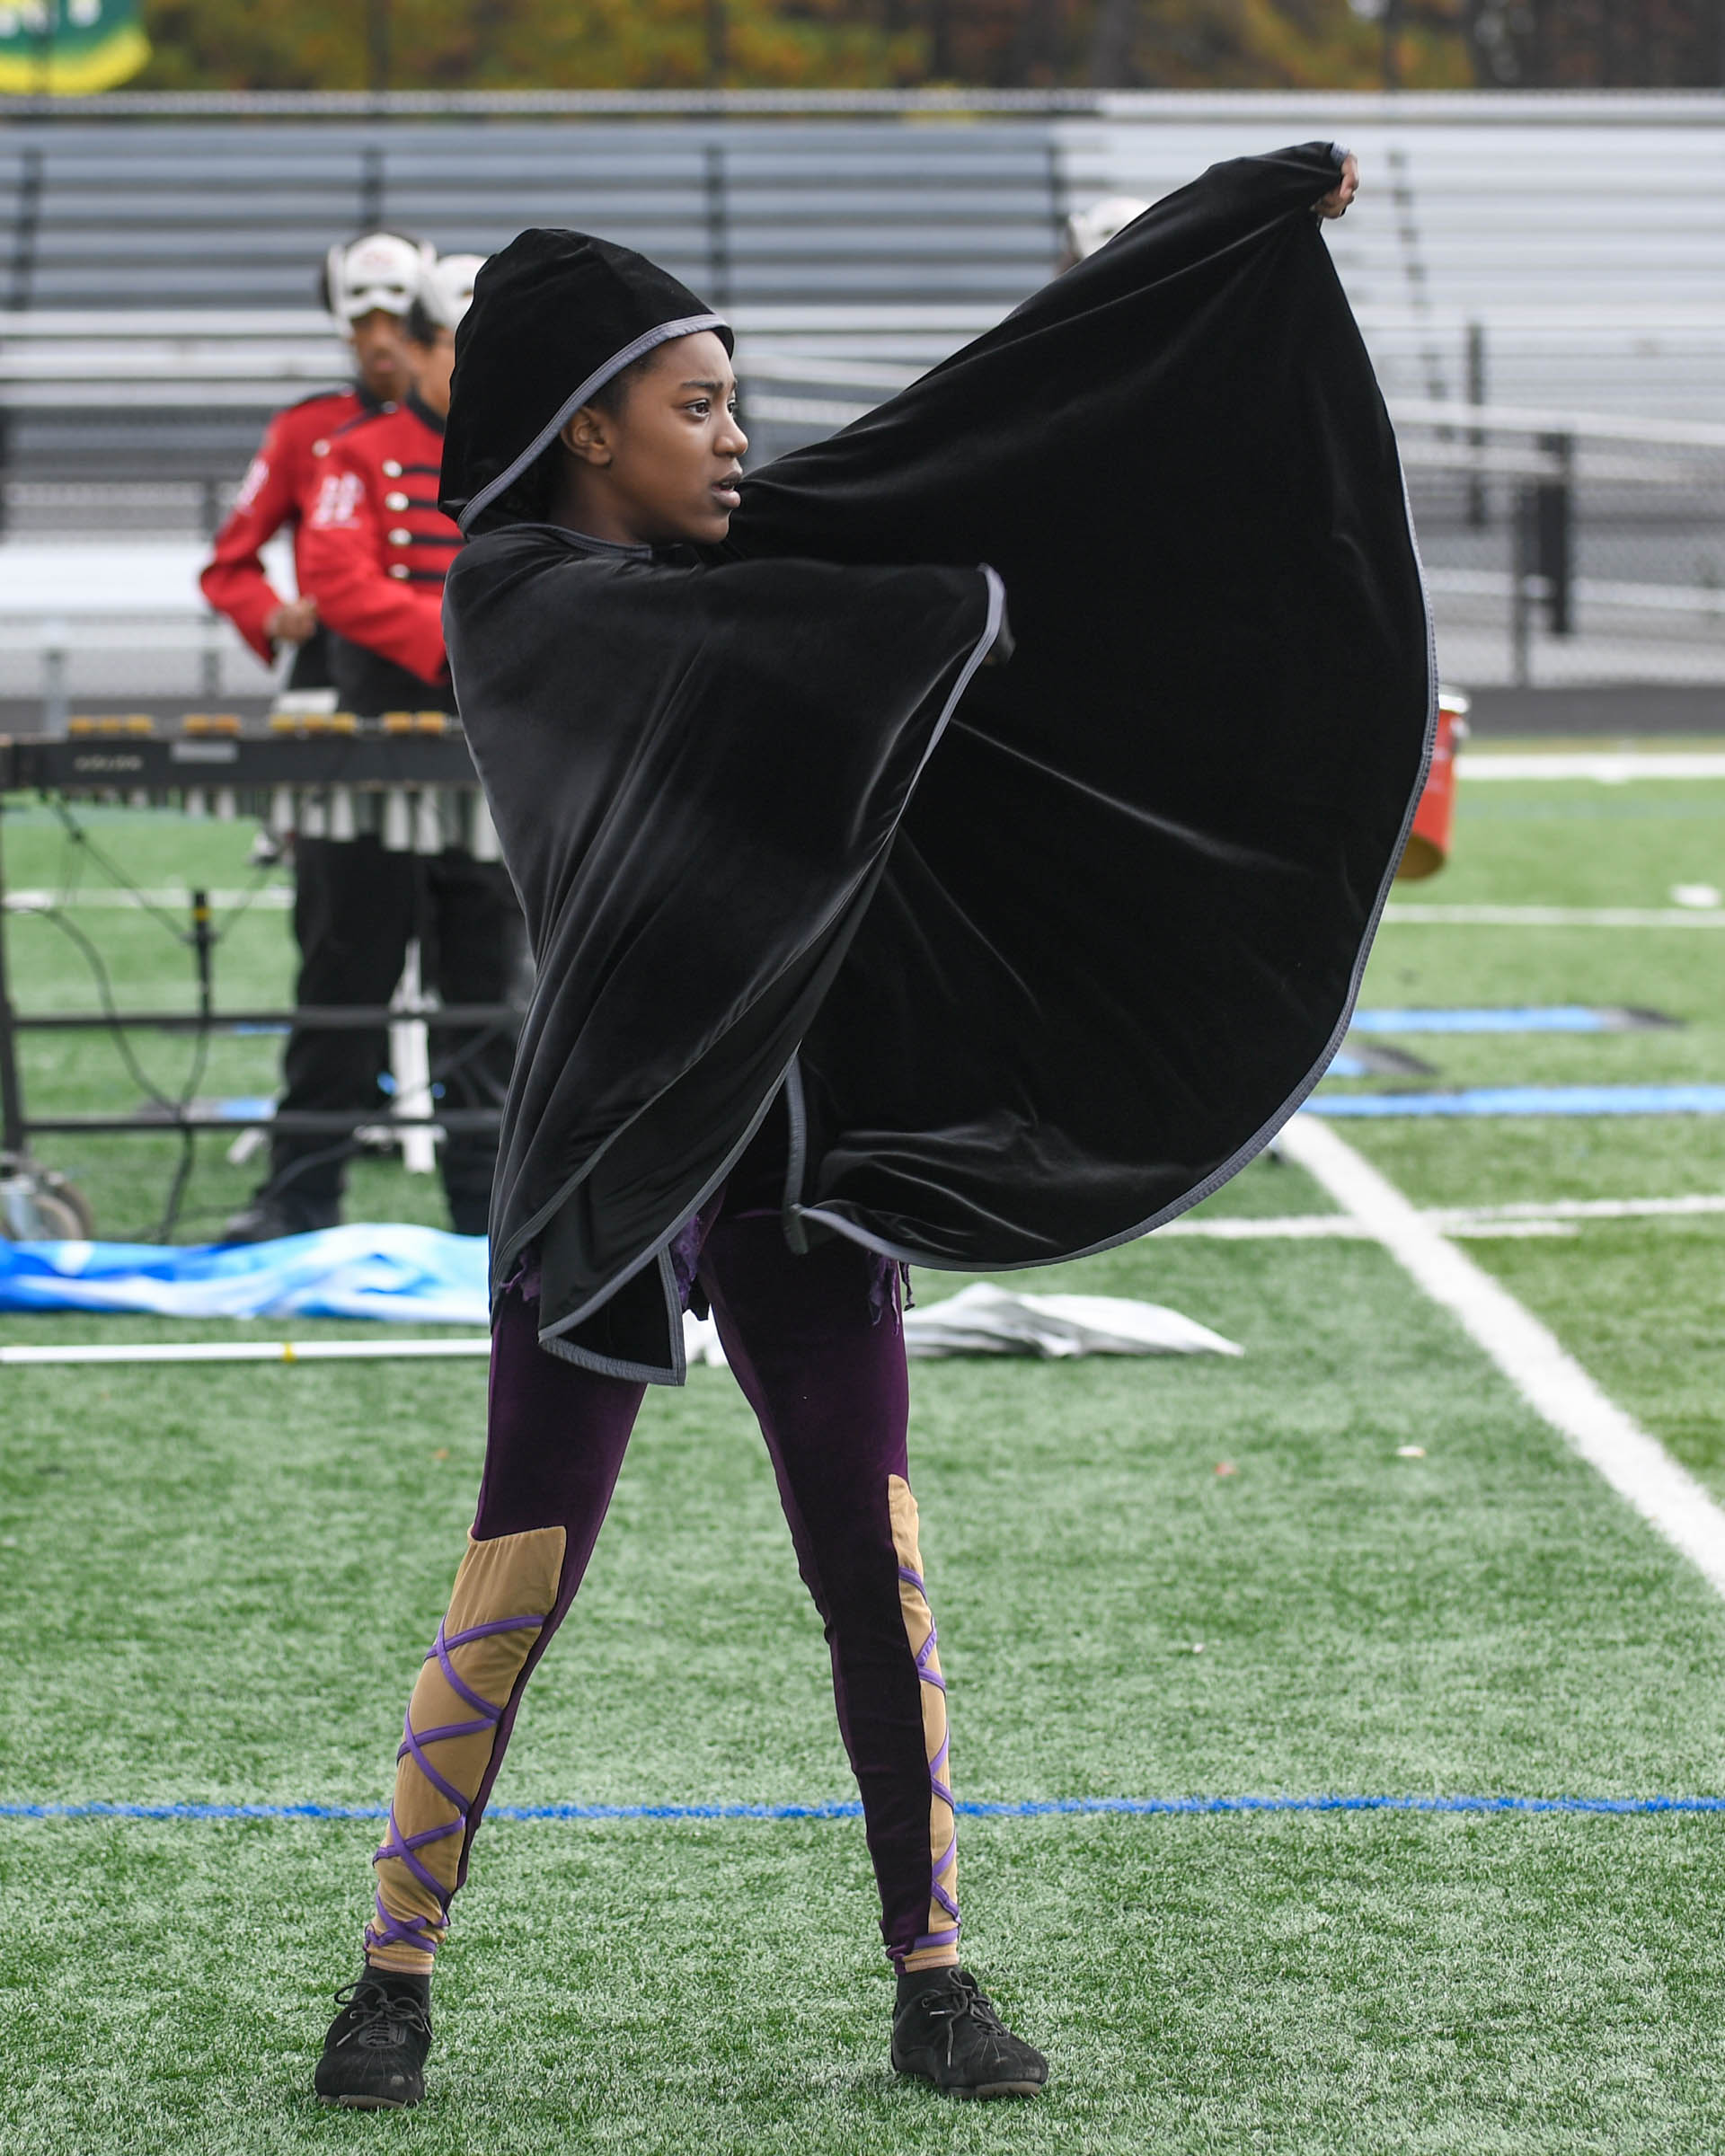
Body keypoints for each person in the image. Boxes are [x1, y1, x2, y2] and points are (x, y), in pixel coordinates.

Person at [314, 142, 1420, 2113]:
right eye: (698, 404)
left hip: (805, 1148)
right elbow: (751, 655)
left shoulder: (731, 552)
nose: (740, 440)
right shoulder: (521, 601)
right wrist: (938, 611)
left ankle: (935, 1976)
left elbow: (981, 431)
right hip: (612, 1152)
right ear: (588, 431)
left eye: (738, 402)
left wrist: (1216, 237)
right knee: (521, 1564)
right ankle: (390, 1976)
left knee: (872, 1566)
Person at [224, 253, 524, 1243]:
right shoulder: (356, 451)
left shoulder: (528, 462)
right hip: (368, 750)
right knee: (341, 986)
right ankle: (299, 1201)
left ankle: (486, 1219)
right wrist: (465, 645)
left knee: (486, 994)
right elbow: (339, 582)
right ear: (435, 347)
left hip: (486, 760)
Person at [199, 230, 433, 703]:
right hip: (334, 667)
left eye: (396, 322)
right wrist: (273, 615)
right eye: (366, 323)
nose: (382, 341)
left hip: (446, 660)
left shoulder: (463, 427)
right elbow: (228, 566)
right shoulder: (304, 429)